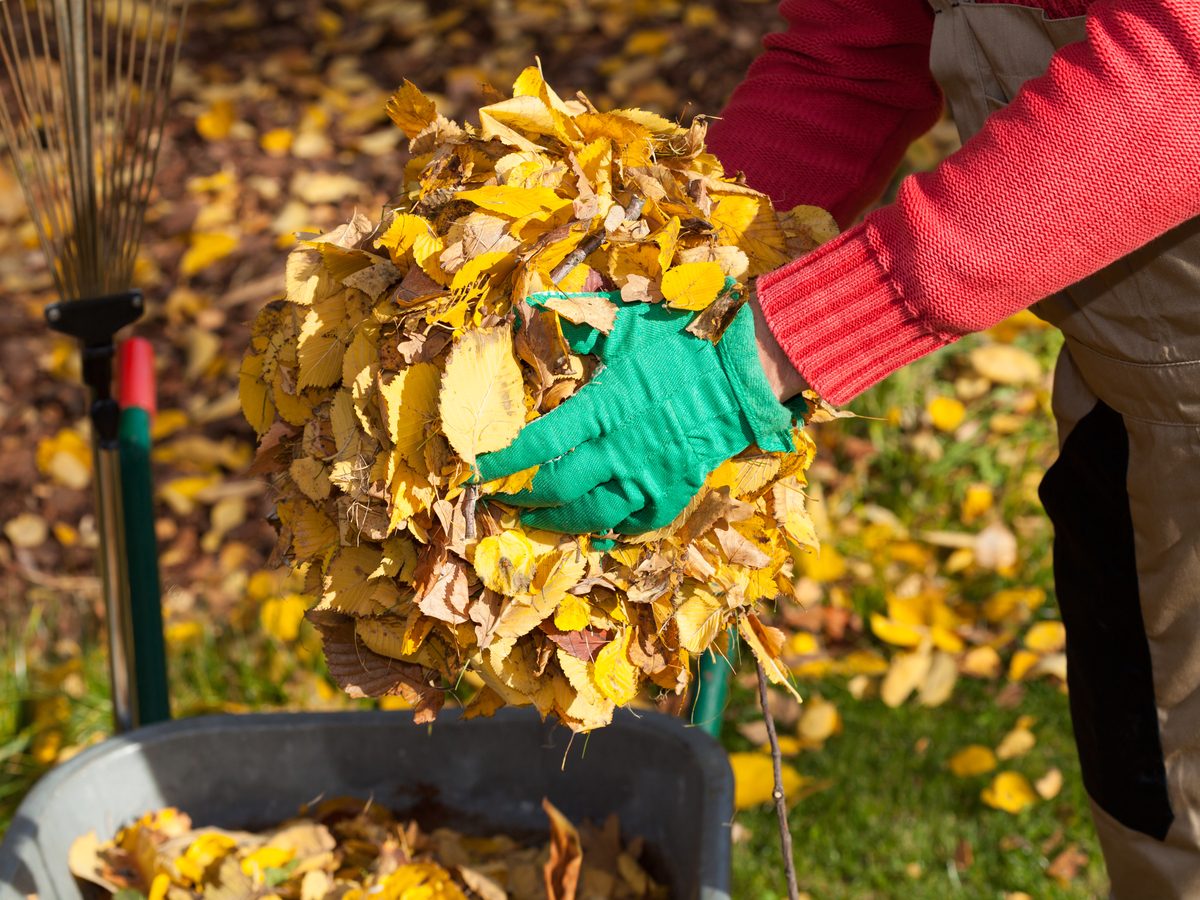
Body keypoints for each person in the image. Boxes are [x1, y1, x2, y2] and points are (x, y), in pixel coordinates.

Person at [477, 1, 1200, 894]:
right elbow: (855, 48)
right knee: (1152, 791)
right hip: (1142, 391)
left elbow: (1187, 68)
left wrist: (770, 350)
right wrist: (674, 263)